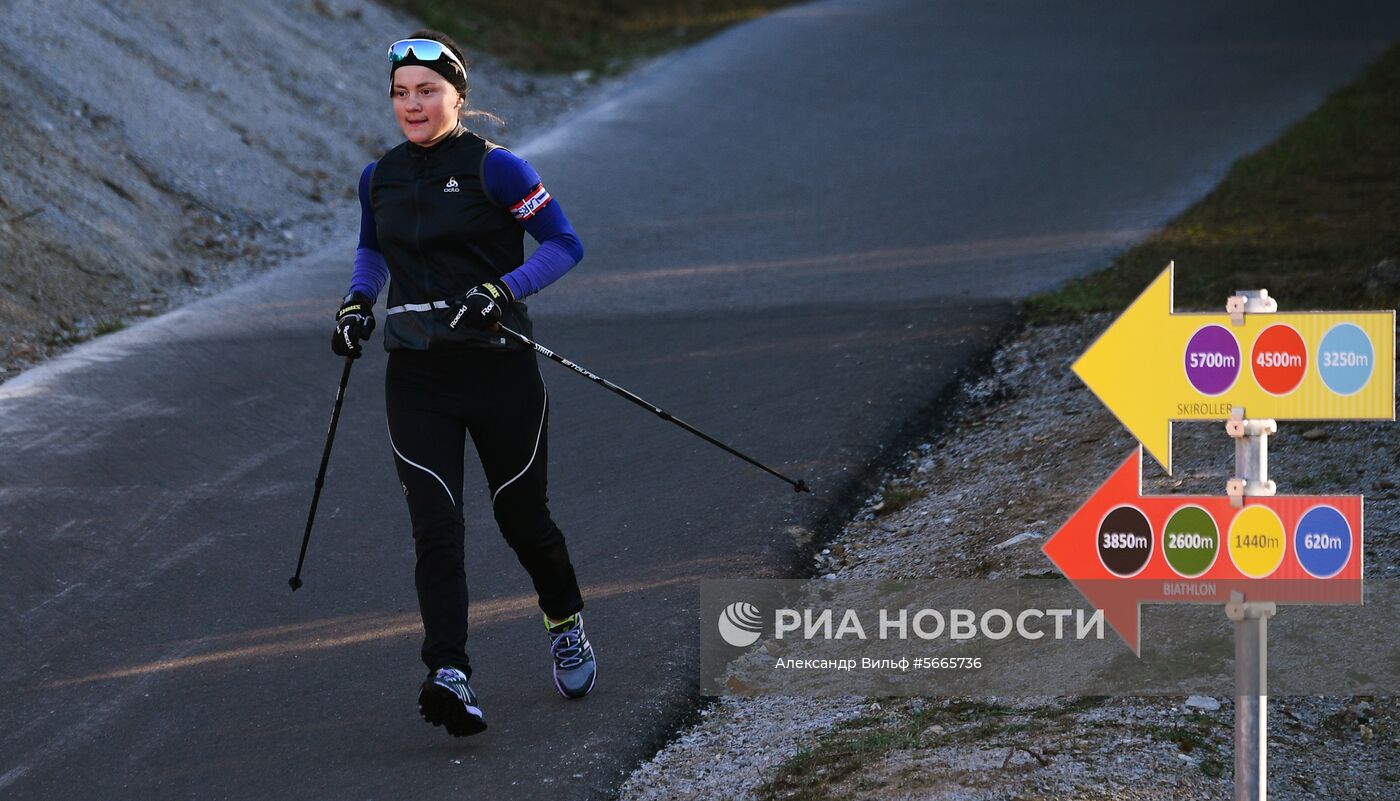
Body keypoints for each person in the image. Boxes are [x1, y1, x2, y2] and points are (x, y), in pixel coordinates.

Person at [331, 29, 595, 738]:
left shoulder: (496, 168)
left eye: (427, 91)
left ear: (458, 96)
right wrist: (358, 303)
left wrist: (503, 290)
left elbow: (565, 244)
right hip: (417, 377)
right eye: (400, 94)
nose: (412, 105)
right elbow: (370, 249)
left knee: (522, 519)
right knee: (436, 528)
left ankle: (564, 617)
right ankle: (450, 670)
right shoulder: (377, 177)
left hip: (499, 370)